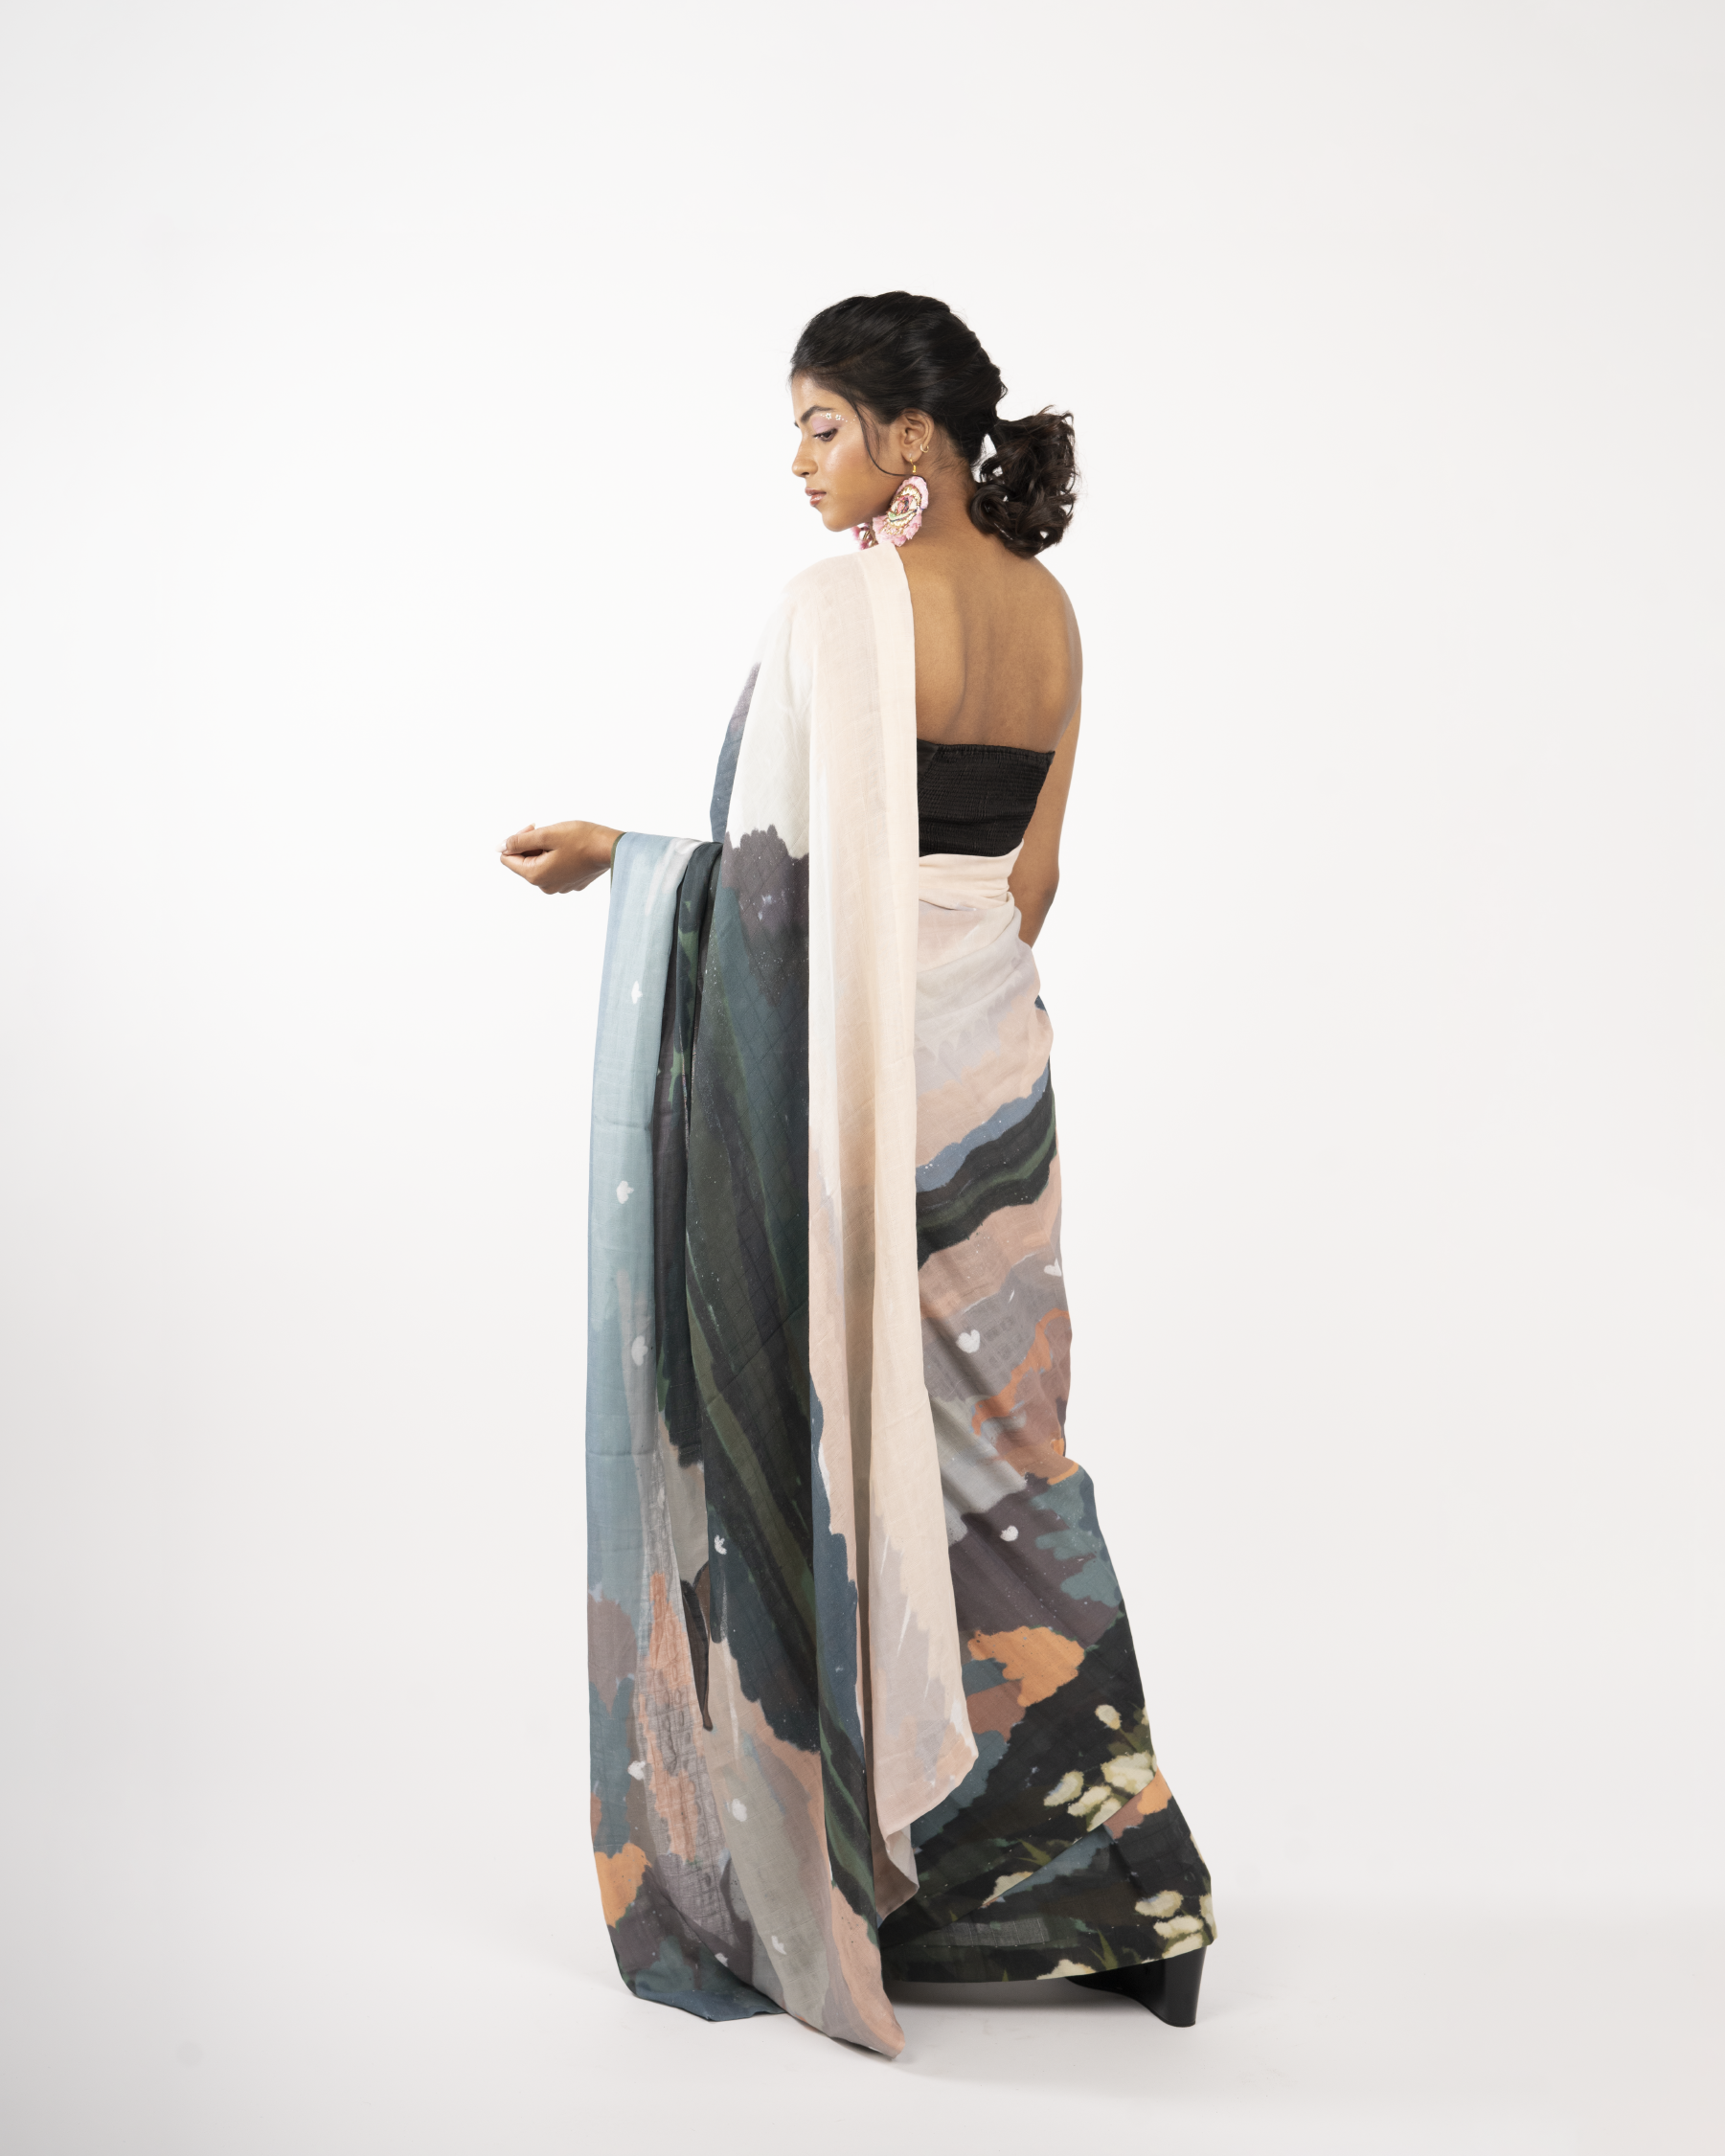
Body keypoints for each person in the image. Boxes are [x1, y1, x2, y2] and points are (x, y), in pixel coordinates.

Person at [501, 293, 1214, 2057]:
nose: (800, 462)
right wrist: (959, 999)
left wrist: (620, 858)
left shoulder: (839, 606)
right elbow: (1034, 879)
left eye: (822, 425)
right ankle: (1125, 1880)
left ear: (911, 439)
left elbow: (774, 883)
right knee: (1012, 1463)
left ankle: (878, 1867)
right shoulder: (1050, 614)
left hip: (862, 1072)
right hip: (998, 1070)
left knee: (853, 1444)